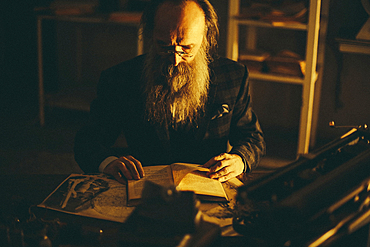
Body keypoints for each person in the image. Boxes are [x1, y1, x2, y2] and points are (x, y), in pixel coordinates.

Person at [74, 0, 266, 184]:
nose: (175, 59)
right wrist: (108, 163)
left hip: (208, 187)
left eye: (186, 48)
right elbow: (88, 142)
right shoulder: (120, 78)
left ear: (205, 36)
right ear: (150, 33)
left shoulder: (233, 76)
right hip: (143, 188)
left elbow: (252, 138)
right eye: (164, 46)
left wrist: (240, 159)